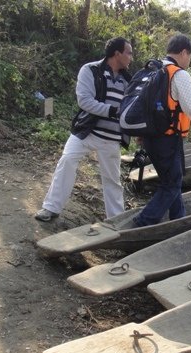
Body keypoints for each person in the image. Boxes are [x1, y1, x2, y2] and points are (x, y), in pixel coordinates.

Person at [35, 37, 133, 222]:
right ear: (117, 53)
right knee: (67, 161)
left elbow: (133, 108)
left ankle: (117, 221)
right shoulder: (91, 70)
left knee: (112, 180)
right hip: (86, 131)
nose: (131, 57)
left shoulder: (129, 79)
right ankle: (51, 208)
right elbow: (85, 101)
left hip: (112, 138)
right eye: (129, 52)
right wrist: (112, 111)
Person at [132, 33, 191, 227]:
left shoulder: (152, 70)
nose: (189, 61)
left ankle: (179, 220)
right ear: (183, 52)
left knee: (173, 179)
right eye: (189, 56)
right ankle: (143, 222)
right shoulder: (178, 74)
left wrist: (141, 132)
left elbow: (141, 105)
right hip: (167, 139)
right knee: (171, 183)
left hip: (151, 137)